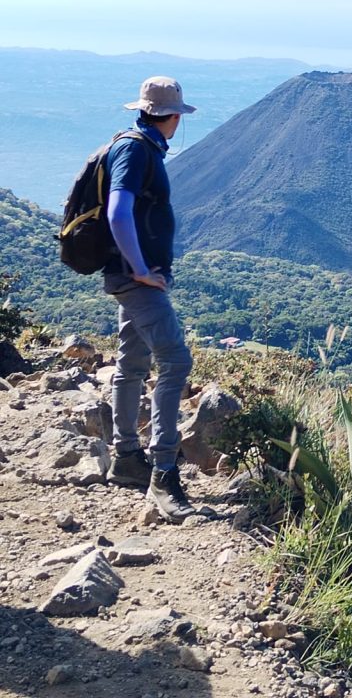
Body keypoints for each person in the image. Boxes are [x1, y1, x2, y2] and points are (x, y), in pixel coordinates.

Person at [103, 76, 196, 523]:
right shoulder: (137, 150)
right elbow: (117, 210)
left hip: (130, 278)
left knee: (133, 361)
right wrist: (140, 269)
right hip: (136, 280)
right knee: (175, 363)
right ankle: (163, 472)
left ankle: (125, 458)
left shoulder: (136, 143)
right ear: (174, 117)